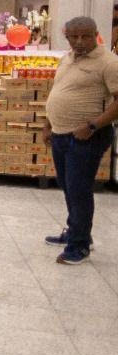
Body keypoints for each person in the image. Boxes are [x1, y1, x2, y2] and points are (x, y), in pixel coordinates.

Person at [44, 16, 118, 264]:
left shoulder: (108, 62)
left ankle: (80, 246)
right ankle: (75, 230)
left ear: (95, 35)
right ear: (66, 37)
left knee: (79, 190)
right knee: (68, 186)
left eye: (85, 36)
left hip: (88, 136)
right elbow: (57, 91)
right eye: (73, 37)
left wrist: (93, 125)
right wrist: (47, 124)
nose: (79, 41)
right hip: (60, 133)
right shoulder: (67, 59)